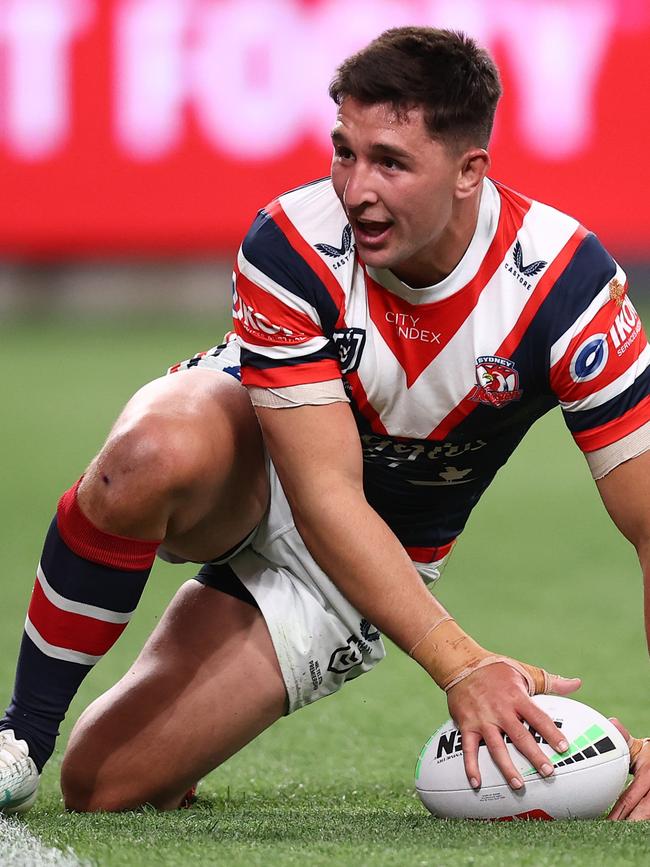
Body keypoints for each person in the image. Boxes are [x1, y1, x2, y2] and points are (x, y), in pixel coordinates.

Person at [1, 26, 649, 819]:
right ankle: (20, 737)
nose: (356, 187)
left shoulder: (566, 287)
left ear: (469, 172)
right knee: (149, 456)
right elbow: (323, 491)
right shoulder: (293, 241)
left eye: (391, 162)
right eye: (345, 151)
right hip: (261, 466)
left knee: (102, 787)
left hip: (361, 568)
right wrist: (462, 664)